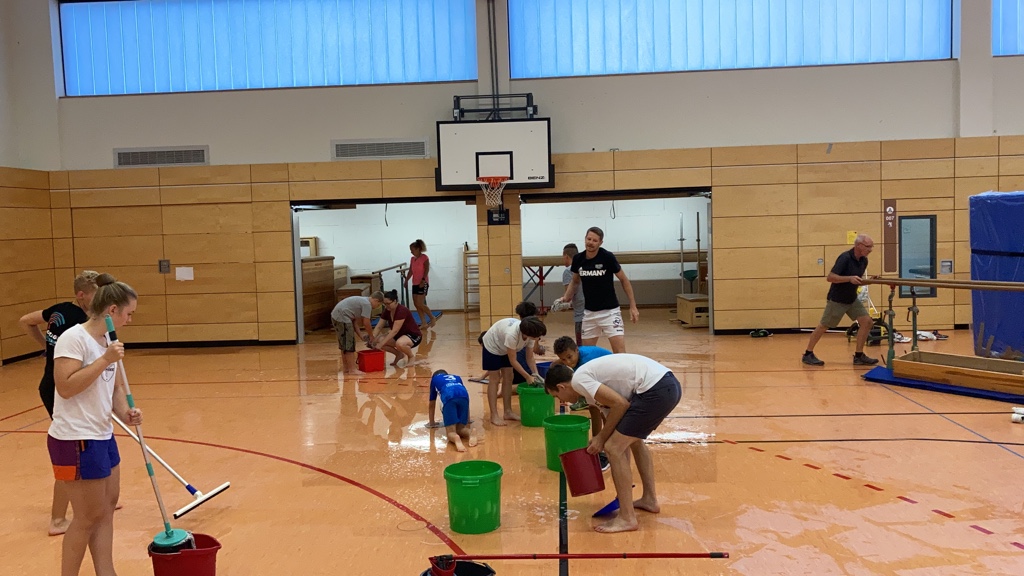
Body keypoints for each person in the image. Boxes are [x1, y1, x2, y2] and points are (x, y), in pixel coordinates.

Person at [48, 273, 143, 575]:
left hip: (102, 435)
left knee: (106, 509)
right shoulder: (73, 338)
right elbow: (65, 386)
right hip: (75, 438)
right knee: (86, 517)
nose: (130, 320)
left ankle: (106, 572)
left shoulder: (109, 341)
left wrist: (126, 412)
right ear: (112, 310)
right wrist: (104, 360)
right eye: (128, 313)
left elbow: (113, 389)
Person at [544, 354, 681, 534]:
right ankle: (649, 499)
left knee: (613, 448)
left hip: (656, 390)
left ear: (561, 387)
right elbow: (614, 419)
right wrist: (601, 437)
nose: (562, 401)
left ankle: (627, 518)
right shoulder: (588, 386)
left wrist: (601, 439)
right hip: (667, 385)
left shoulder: (579, 381)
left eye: (557, 396)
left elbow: (620, 404)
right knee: (633, 442)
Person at [19, 270, 101, 536]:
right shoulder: (80, 323)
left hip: (56, 385)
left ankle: (94, 499)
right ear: (81, 295)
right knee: (71, 451)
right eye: (96, 296)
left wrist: (45, 346)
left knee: (87, 444)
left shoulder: (59, 309)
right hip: (60, 389)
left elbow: (26, 320)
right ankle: (57, 519)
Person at [802, 234, 879, 367]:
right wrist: (849, 278)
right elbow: (830, 277)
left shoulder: (863, 260)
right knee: (824, 326)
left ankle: (859, 356)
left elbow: (857, 281)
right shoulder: (845, 258)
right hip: (837, 299)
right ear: (858, 245)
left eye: (872, 247)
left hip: (851, 299)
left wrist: (869, 281)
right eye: (868, 246)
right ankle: (808, 354)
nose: (870, 250)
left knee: (867, 322)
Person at [560, 227, 639, 353]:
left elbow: (624, 280)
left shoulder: (607, 257)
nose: (590, 242)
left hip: (610, 313)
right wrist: (566, 298)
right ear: (585, 239)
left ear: (600, 242)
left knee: (620, 353)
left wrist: (633, 306)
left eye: (595, 240)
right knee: (586, 353)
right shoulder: (578, 259)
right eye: (589, 239)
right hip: (589, 314)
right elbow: (575, 281)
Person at [551, 336, 614, 469]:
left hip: (611, 378)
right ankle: (598, 444)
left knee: (605, 411)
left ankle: (607, 448)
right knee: (594, 408)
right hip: (600, 376)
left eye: (569, 357)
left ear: (577, 350)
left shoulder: (586, 362)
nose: (568, 362)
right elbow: (555, 364)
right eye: (564, 359)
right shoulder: (572, 355)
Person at [479, 315, 547, 426]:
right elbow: (513, 361)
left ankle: (508, 412)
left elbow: (529, 357)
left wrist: (536, 374)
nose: (538, 338)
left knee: (509, 377)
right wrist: (527, 376)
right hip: (492, 346)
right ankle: (494, 415)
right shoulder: (512, 335)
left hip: (505, 346)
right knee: (495, 379)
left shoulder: (530, 336)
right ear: (527, 334)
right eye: (537, 336)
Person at [331, 291, 385, 373]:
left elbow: (354, 321)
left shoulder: (362, 301)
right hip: (342, 317)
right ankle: (352, 369)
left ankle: (346, 367)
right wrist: (371, 336)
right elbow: (366, 323)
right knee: (349, 343)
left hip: (337, 316)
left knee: (344, 344)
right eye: (378, 305)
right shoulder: (367, 304)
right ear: (376, 300)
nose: (377, 307)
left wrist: (360, 335)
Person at [426, 370, 477, 452]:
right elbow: (465, 401)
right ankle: (470, 433)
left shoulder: (434, 379)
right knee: (460, 429)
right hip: (464, 396)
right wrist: (468, 419)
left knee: (451, 432)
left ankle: (455, 438)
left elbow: (432, 403)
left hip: (449, 396)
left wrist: (432, 423)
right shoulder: (457, 377)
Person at [373, 289, 422, 367]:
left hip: (413, 335)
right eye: (384, 304)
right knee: (378, 340)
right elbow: (379, 326)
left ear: (395, 301)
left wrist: (381, 344)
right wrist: (372, 338)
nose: (386, 306)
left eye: (388, 303)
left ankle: (411, 356)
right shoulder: (387, 311)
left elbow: (394, 331)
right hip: (399, 335)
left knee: (399, 343)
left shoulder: (401, 311)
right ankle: (398, 354)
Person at [553, 243, 586, 345]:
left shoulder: (568, 271)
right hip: (593, 312)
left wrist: (560, 305)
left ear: (566, 256)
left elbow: (569, 298)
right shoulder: (585, 267)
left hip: (581, 315)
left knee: (581, 347)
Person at [403, 239, 441, 330]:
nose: (411, 252)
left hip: (422, 282)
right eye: (410, 250)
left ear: (418, 249)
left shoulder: (424, 257)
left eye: (412, 250)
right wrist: (406, 280)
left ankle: (431, 317)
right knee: (416, 304)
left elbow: (426, 269)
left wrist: (423, 280)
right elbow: (411, 271)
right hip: (415, 283)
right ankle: (423, 322)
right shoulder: (412, 259)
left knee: (420, 303)